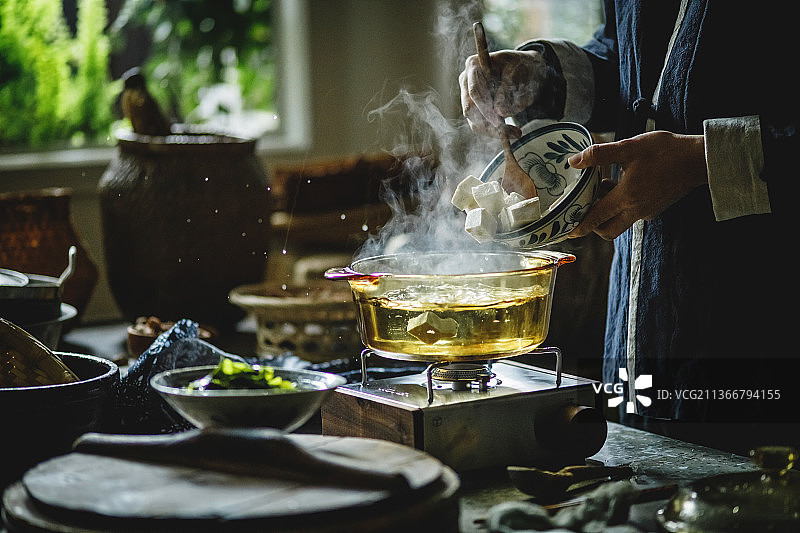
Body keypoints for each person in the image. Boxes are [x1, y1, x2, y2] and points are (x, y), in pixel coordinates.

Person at [460, 0, 800, 455]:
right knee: (640, 498)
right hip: (639, 324)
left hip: (761, 331)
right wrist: (538, 77)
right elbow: (630, 60)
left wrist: (703, 161)